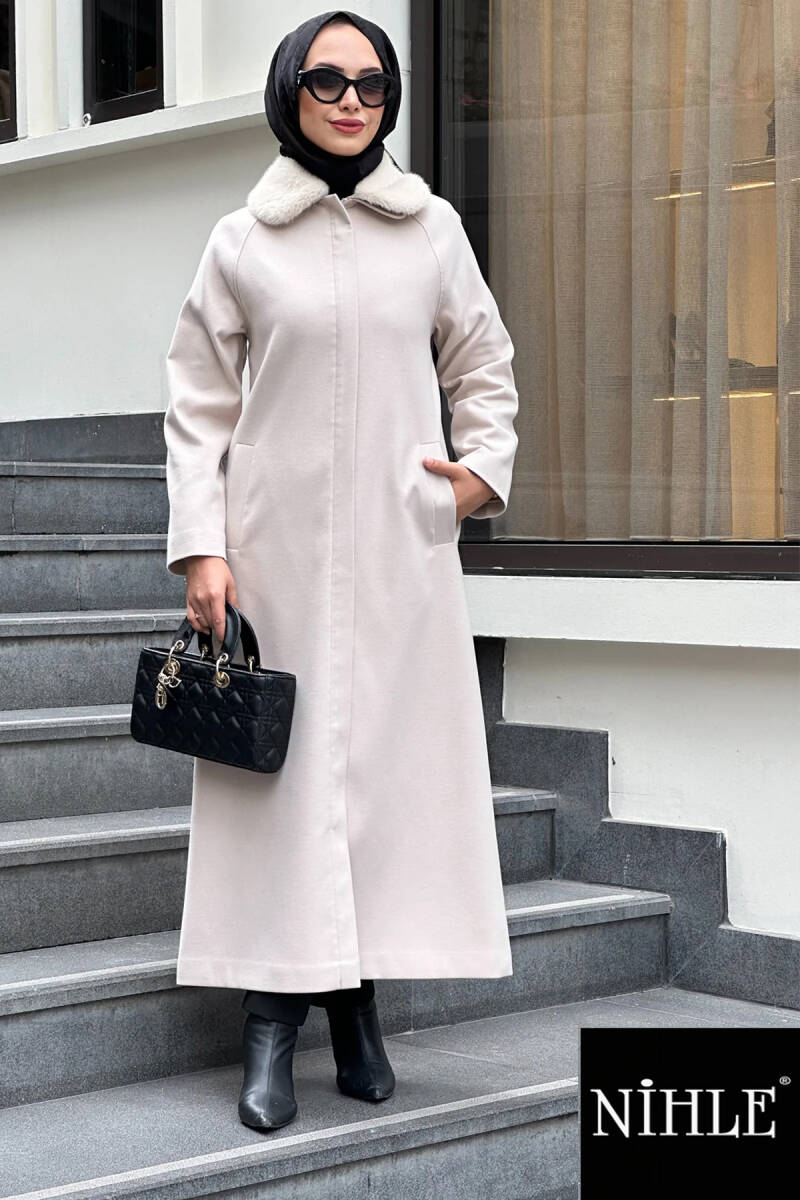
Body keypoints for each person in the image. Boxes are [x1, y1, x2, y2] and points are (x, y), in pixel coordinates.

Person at [162, 9, 519, 1133]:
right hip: (273, 552)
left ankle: (359, 1007)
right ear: (289, 93)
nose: (351, 100)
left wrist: (475, 476)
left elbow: (484, 363)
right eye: (326, 80)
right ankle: (271, 1021)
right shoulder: (242, 241)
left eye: (370, 83)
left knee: (384, 784)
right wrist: (203, 545)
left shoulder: (432, 230)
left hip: (398, 552)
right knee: (280, 789)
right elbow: (195, 402)